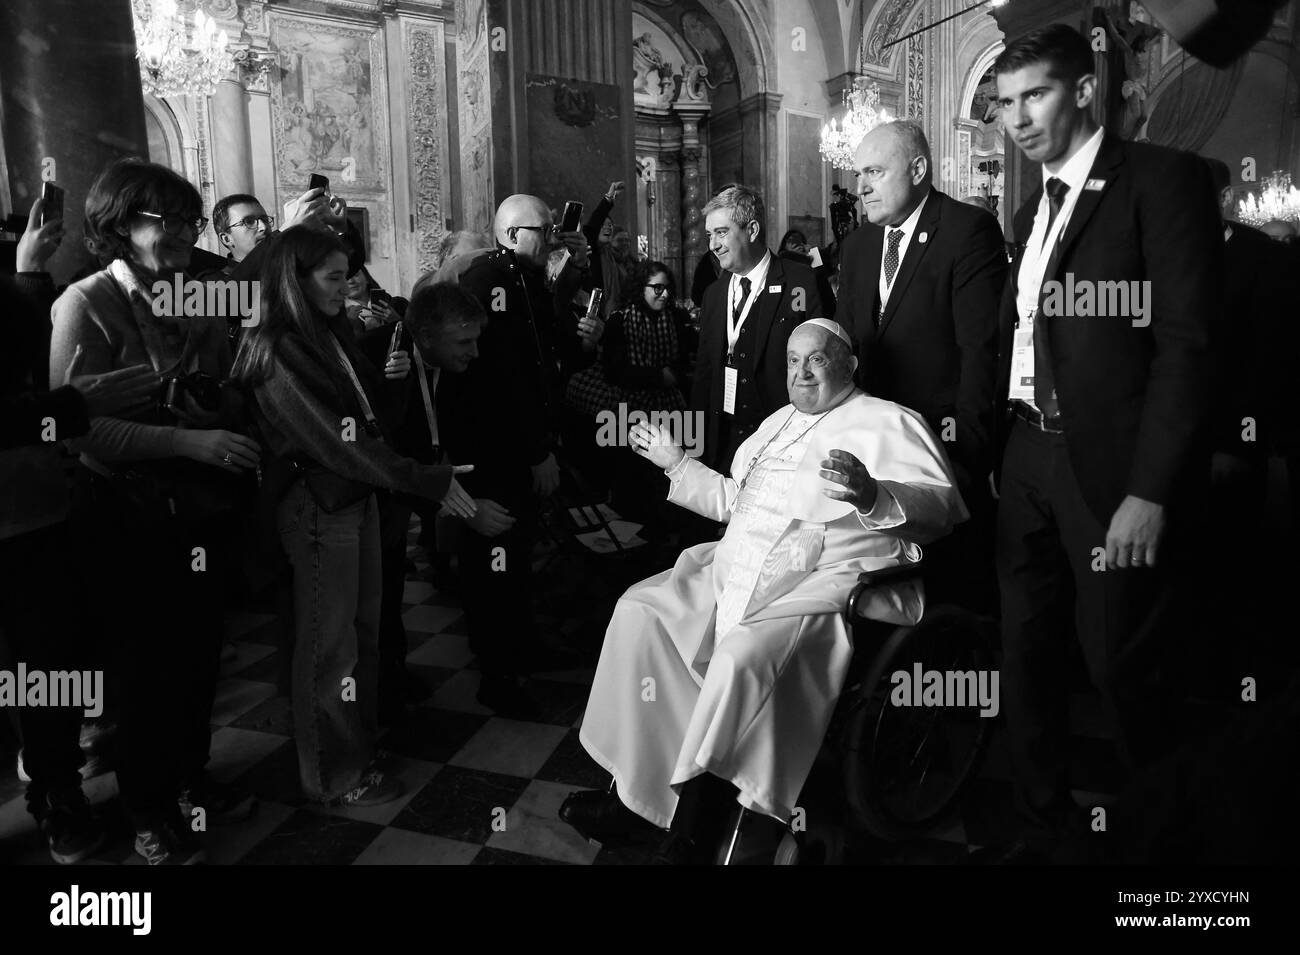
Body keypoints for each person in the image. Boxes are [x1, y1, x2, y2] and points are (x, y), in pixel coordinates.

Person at [560, 319, 966, 863]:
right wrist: (677, 463)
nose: (800, 373)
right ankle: (634, 797)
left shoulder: (889, 421)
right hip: (734, 569)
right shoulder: (777, 422)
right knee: (640, 613)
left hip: (822, 582)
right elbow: (734, 504)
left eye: (816, 360)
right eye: (792, 361)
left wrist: (872, 492)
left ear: (849, 365)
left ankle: (695, 830)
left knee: (738, 659)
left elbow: (938, 511)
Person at [980, 24, 1221, 864]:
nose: (1017, 117)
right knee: (1026, 654)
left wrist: (1150, 490)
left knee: (1124, 667)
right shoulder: (1028, 207)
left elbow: (1187, 347)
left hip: (1111, 472)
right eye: (1005, 103)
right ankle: (1044, 827)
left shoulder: (1161, 181)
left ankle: (1170, 855)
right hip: (1026, 458)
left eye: (1034, 95)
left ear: (1085, 89)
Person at [47, 158, 260, 864]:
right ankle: (147, 807)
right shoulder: (84, 302)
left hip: (196, 511)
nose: (177, 235)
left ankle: (191, 779)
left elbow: (225, 374)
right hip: (123, 514)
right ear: (116, 223)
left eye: (186, 222)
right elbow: (75, 427)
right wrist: (187, 440)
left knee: (198, 658)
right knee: (142, 671)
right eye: (159, 220)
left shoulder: (193, 297)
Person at [233, 226, 477, 808]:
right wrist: (424, 478)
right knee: (328, 649)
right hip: (320, 507)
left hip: (355, 499)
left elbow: (372, 420)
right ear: (294, 280)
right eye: (335, 277)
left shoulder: (328, 333)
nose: (348, 287)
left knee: (360, 638)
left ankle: (356, 746)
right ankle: (335, 772)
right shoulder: (278, 347)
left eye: (348, 274)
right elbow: (338, 444)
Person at [837, 118, 1007, 611]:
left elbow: (982, 354)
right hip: (868, 445)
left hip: (938, 448)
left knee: (947, 591)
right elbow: (848, 345)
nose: (860, 187)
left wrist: (971, 457)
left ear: (917, 168)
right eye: (858, 173)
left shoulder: (967, 231)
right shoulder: (859, 244)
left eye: (873, 172)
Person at [440, 193, 591, 717]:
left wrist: (576, 315)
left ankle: (520, 647)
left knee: (517, 554)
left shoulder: (524, 279)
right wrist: (535, 452)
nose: (551, 237)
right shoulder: (488, 283)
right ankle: (497, 675)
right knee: (494, 562)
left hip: (521, 446)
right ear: (510, 234)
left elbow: (548, 352)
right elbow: (503, 381)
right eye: (542, 230)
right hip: (495, 451)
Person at [356, 281, 488, 725]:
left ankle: (394, 674)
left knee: (391, 584)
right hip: (373, 492)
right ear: (426, 338)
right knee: (377, 593)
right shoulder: (376, 353)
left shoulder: (458, 368)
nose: (474, 353)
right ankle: (379, 696)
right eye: (465, 341)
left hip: (415, 482)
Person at [692, 184, 827, 473]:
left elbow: (823, 370)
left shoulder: (800, 282)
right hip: (724, 444)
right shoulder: (714, 294)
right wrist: (699, 448)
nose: (713, 245)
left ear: (751, 230)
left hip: (784, 446)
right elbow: (705, 375)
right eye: (709, 235)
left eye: (721, 232)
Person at [565, 260, 695, 522]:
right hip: (628, 404)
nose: (665, 294)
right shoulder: (620, 320)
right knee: (633, 473)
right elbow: (616, 372)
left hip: (669, 403)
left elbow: (689, 355)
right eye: (657, 288)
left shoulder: (677, 319)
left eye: (667, 288)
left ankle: (670, 520)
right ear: (640, 288)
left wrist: (674, 374)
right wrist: (658, 376)